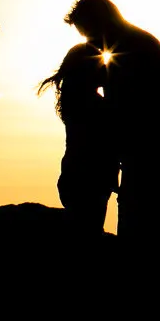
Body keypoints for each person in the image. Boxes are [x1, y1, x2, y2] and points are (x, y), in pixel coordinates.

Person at [59, 0, 160, 290]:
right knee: (151, 247)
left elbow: (126, 117)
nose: (89, 41)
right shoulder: (132, 47)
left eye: (89, 33)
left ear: (101, 22)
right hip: (156, 159)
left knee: (149, 248)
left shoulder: (133, 53)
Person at [39, 40, 118, 235]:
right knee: (89, 235)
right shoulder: (94, 106)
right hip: (89, 181)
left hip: (75, 179)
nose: (106, 67)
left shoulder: (75, 102)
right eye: (101, 63)